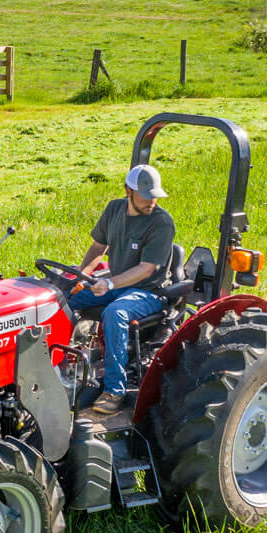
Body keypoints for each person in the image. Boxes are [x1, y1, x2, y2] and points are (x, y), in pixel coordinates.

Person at [69, 164, 175, 415]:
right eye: (146, 195)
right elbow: (98, 248)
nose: (152, 201)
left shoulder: (161, 223)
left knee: (115, 313)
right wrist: (79, 277)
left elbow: (147, 269)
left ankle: (114, 390)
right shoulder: (114, 209)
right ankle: (61, 363)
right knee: (63, 297)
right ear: (129, 190)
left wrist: (111, 283)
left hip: (148, 292)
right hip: (115, 284)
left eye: (155, 196)